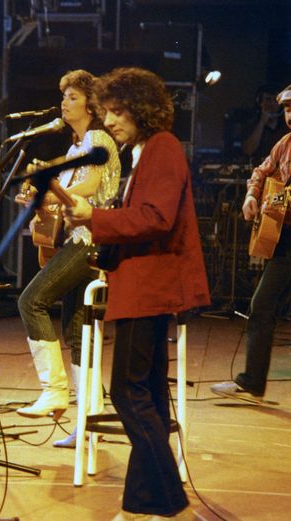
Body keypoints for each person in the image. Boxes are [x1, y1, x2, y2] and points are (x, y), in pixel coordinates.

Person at [63, 67, 210, 521]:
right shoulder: (146, 151)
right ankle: (142, 503)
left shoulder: (162, 148)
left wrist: (95, 218)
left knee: (129, 395)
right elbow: (143, 215)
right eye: (107, 111)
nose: (109, 120)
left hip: (150, 287)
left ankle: (172, 504)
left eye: (118, 110)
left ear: (142, 110)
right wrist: (95, 221)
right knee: (145, 393)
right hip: (143, 285)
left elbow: (156, 217)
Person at [15, 69, 121, 444]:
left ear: (90, 105)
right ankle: (87, 424)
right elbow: (70, 202)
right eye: (64, 96)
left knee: (31, 300)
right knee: (77, 334)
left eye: (73, 97)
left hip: (91, 241)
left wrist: (52, 184)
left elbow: (89, 189)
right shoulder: (76, 148)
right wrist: (42, 197)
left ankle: (54, 390)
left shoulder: (96, 138)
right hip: (82, 238)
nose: (65, 102)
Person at [211, 83, 291, 403]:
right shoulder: (284, 144)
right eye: (286, 109)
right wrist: (250, 196)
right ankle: (252, 381)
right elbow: (260, 172)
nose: (289, 115)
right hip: (286, 242)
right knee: (261, 306)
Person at [242, 84, 288, 165]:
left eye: (275, 100)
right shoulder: (251, 124)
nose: (272, 104)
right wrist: (262, 123)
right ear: (260, 103)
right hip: (258, 170)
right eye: (268, 99)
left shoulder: (286, 126)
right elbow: (248, 151)